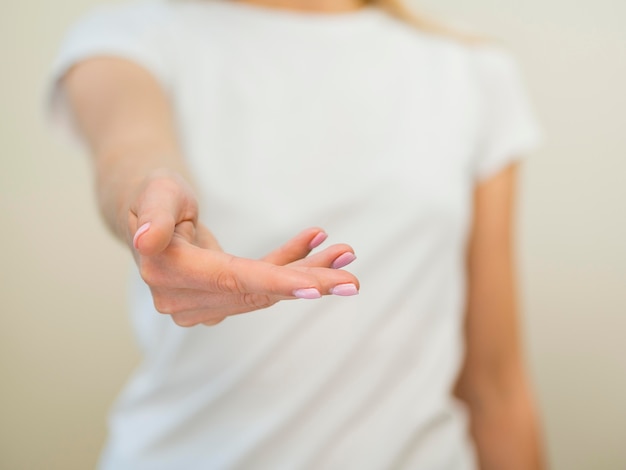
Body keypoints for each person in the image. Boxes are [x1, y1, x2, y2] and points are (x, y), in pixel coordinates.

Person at [48, 0, 546, 468]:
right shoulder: (134, 33)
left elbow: (494, 384)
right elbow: (130, 151)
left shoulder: (470, 71)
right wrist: (150, 201)